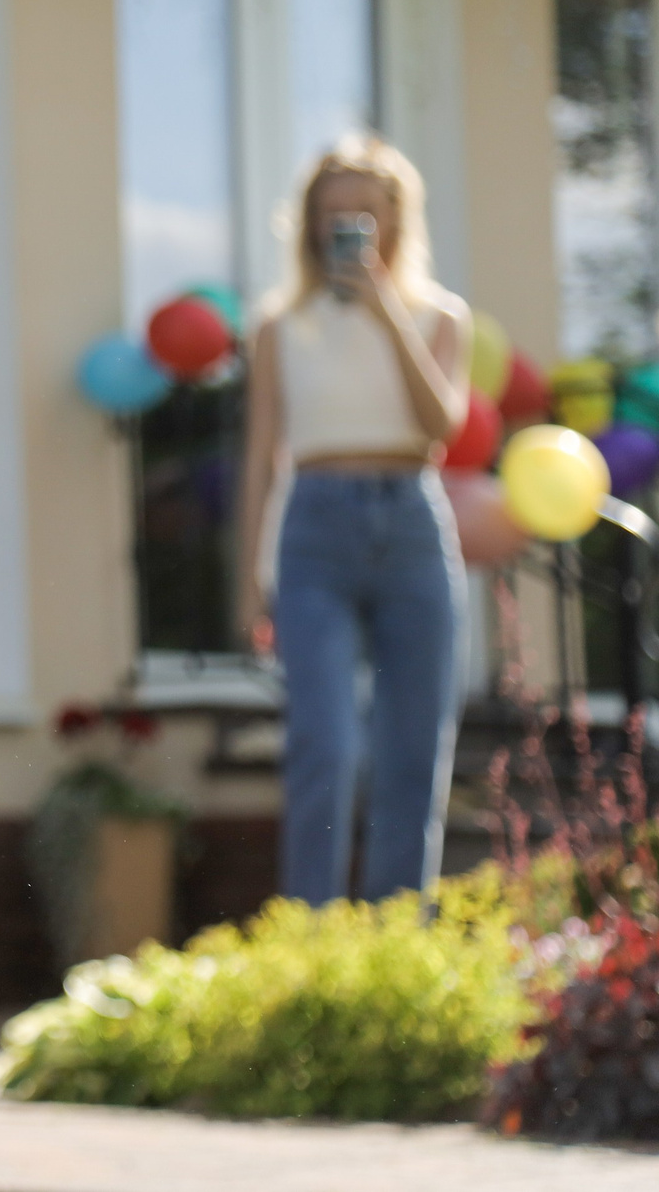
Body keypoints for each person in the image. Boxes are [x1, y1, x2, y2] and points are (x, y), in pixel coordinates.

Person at [237, 134, 472, 907]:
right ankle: (309, 934)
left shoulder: (440, 315)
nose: (345, 227)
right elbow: (260, 458)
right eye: (331, 213)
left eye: (362, 214)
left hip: (411, 524)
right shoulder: (279, 325)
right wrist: (248, 579)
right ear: (309, 223)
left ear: (394, 221)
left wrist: (385, 312)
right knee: (326, 743)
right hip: (315, 531)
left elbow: (440, 425)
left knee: (413, 751)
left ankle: (395, 935)